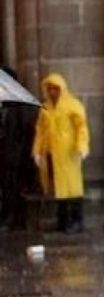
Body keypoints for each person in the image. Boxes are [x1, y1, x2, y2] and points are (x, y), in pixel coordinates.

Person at [32, 73, 90, 233]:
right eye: (49, 89)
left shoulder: (73, 106)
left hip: (69, 154)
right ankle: (63, 221)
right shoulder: (45, 109)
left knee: (73, 188)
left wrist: (81, 146)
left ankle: (77, 221)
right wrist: (37, 151)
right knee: (59, 189)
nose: (52, 92)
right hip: (53, 154)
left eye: (55, 89)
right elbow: (40, 131)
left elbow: (81, 128)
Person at [0, 67, 40, 232]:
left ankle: (14, 220)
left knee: (15, 190)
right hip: (6, 156)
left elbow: (27, 131)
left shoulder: (22, 105)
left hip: (17, 157)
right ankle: (7, 217)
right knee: (7, 189)